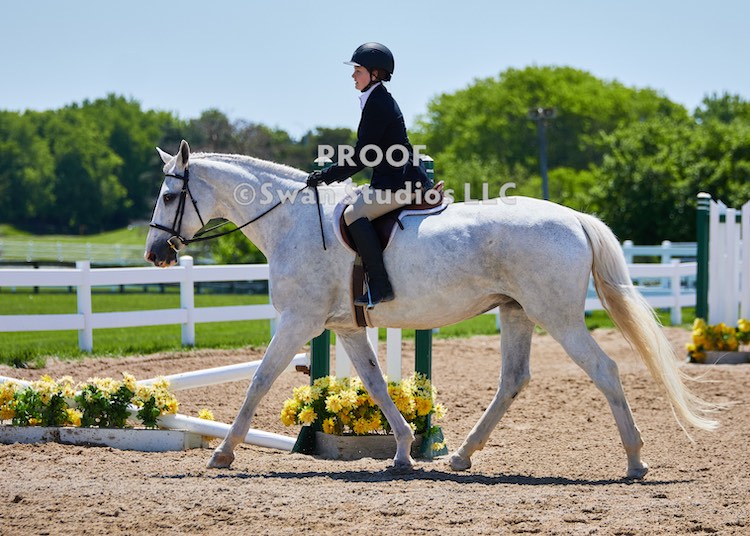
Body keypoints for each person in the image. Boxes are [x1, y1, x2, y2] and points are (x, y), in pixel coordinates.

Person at [307, 42, 430, 308]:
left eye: (358, 70)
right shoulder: (376, 99)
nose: (353, 75)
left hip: (400, 183)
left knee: (353, 214)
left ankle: (380, 285)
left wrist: (326, 176)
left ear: (375, 74)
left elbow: (363, 155)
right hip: (394, 178)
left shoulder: (378, 104)